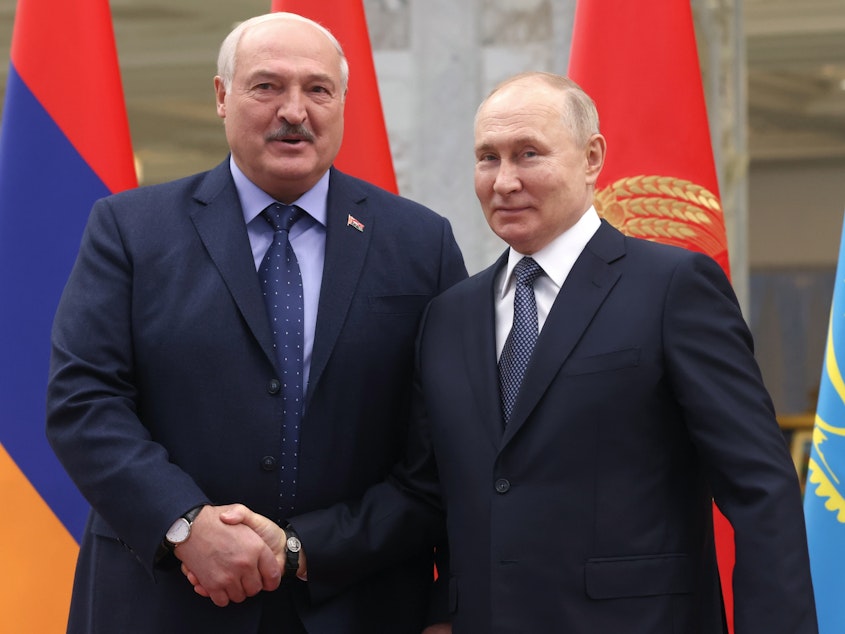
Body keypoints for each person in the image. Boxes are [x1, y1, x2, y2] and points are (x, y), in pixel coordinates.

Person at [216, 71, 819, 632]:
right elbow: (432, 492)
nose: (504, 181)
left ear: (592, 159)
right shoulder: (450, 316)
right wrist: (306, 551)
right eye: (488, 158)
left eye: (529, 153)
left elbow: (758, 485)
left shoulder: (672, 286)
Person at [46, 11, 466, 634]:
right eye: (267, 86)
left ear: (344, 101)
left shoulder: (420, 243)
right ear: (222, 97)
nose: (294, 110)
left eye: (318, 89)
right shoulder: (130, 230)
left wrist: (314, 553)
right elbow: (83, 402)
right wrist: (186, 525)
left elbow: (445, 449)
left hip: (360, 603)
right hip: (164, 602)